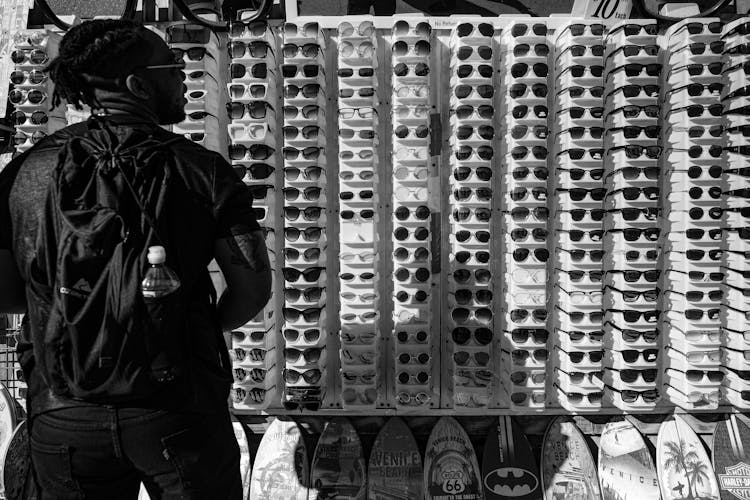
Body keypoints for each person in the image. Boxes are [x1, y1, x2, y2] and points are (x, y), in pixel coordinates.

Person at [0, 19, 272, 499]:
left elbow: (2, 292)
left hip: (62, 406)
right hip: (178, 407)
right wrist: (188, 324)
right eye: (175, 65)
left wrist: (73, 312)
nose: (184, 75)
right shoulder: (201, 170)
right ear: (137, 85)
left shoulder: (29, 170)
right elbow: (251, 287)